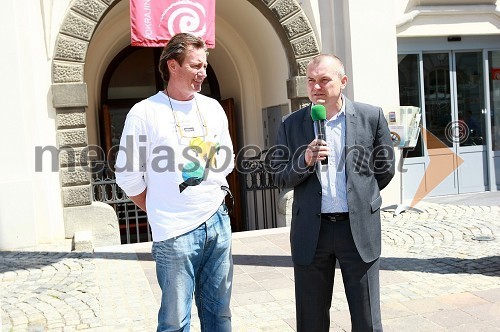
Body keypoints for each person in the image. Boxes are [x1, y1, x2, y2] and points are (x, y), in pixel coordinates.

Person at [115, 33, 234, 332]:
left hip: (217, 223)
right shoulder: (144, 113)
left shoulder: (213, 108)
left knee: (219, 315)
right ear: (172, 66)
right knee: (175, 321)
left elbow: (226, 160)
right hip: (174, 232)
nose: (203, 73)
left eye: (205, 66)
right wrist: (158, 207)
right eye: (196, 66)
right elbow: (128, 175)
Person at [271, 54, 395, 331]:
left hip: (358, 228)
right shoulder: (291, 124)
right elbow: (279, 175)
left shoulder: (369, 116)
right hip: (312, 233)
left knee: (367, 320)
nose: (316, 87)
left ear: (343, 81)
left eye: (324, 80)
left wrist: (361, 199)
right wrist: (304, 161)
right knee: (311, 320)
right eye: (311, 81)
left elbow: (384, 169)